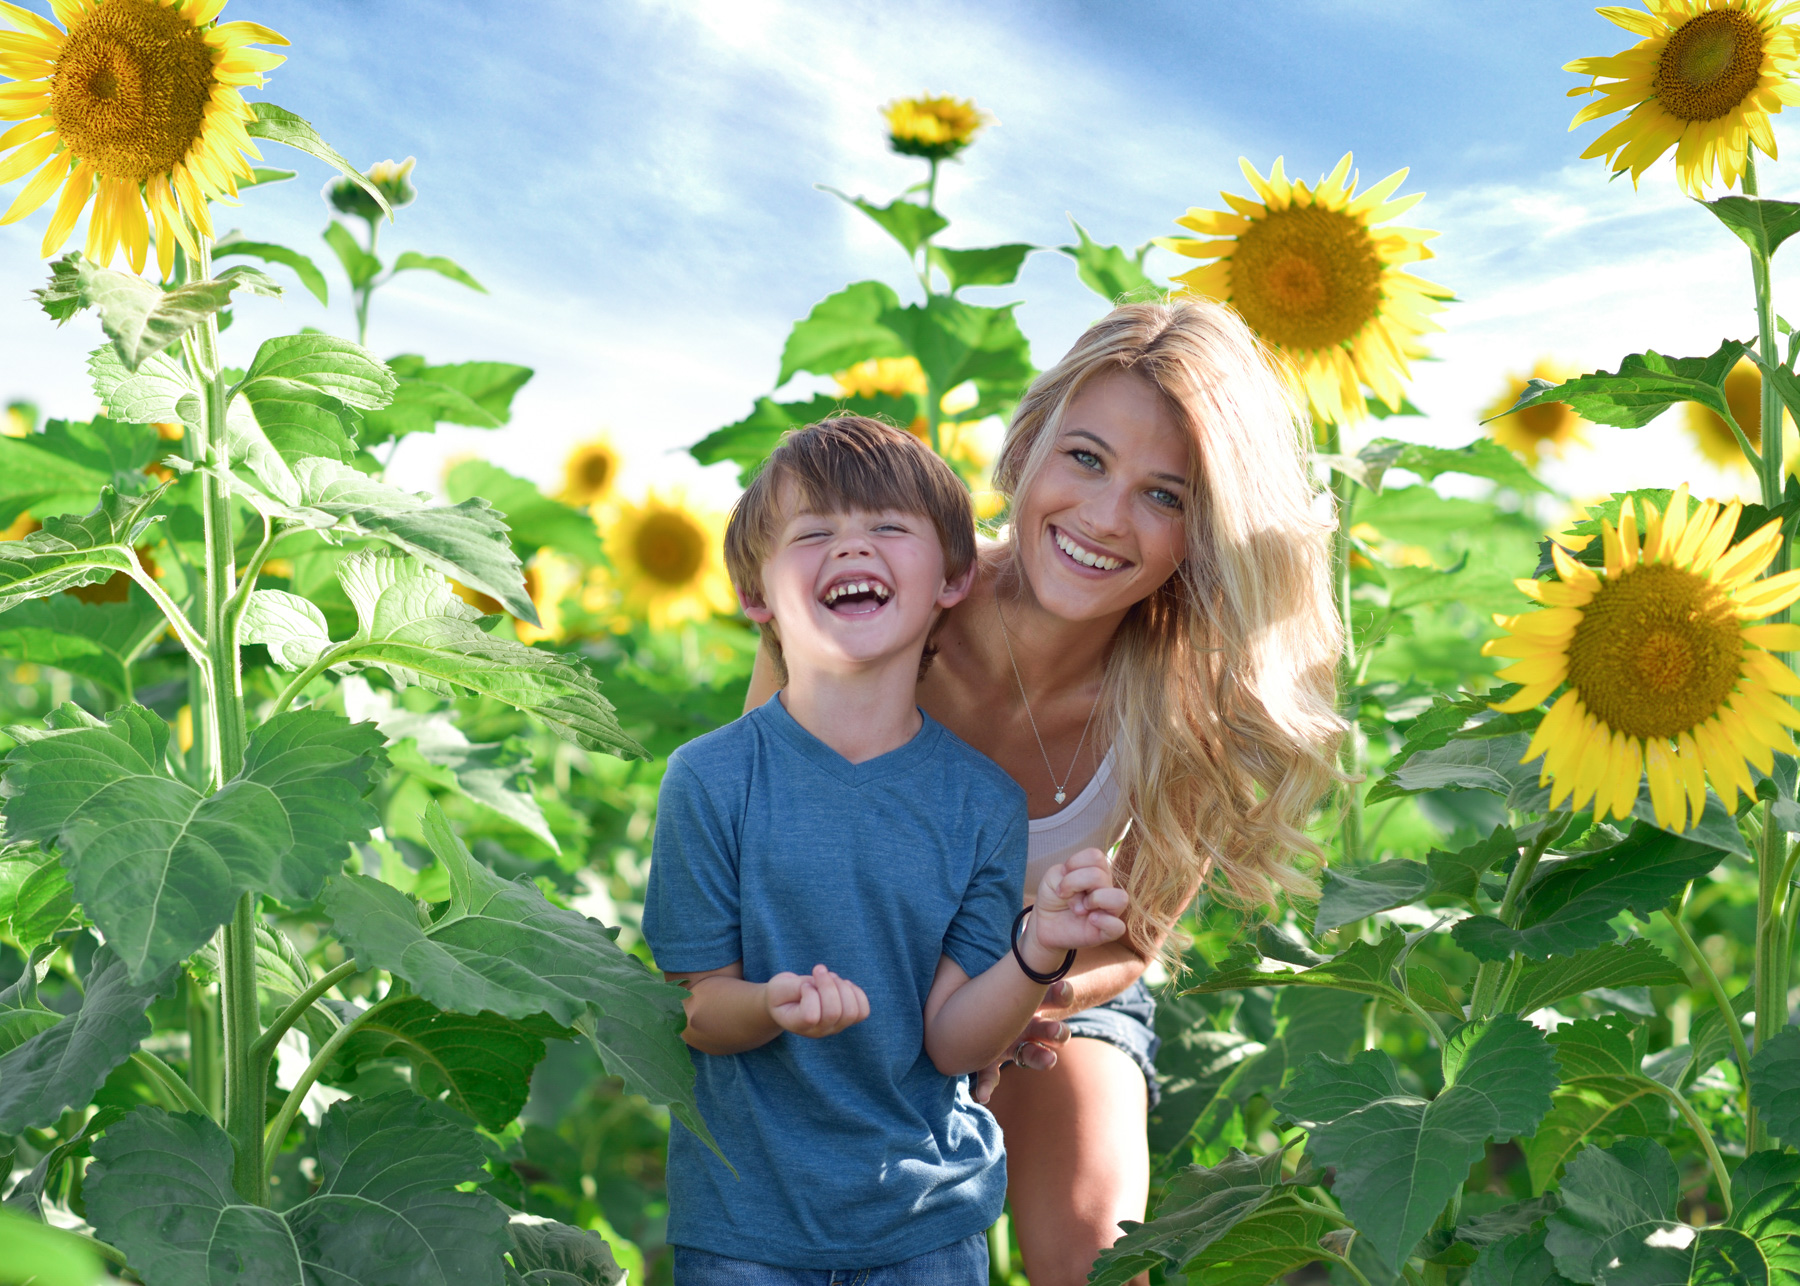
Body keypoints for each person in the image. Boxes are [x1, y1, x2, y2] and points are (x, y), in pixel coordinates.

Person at [744, 300, 1344, 1284]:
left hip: (1052, 997)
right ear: (1028, 448)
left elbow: (1132, 934)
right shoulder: (877, 599)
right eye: (1086, 458)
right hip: (831, 974)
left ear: (1209, 534)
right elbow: (762, 845)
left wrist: (1015, 997)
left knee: (1097, 1256)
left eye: (1167, 495)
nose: (1107, 518)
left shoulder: (1193, 703)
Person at [643, 416, 1131, 1285]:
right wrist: (773, 1005)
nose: (850, 548)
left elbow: (952, 1043)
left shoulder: (983, 802)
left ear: (953, 578)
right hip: (745, 1227)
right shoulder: (711, 781)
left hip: (927, 1224)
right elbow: (699, 1013)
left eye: (887, 528)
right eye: (814, 532)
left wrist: (1039, 943)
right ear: (757, 596)